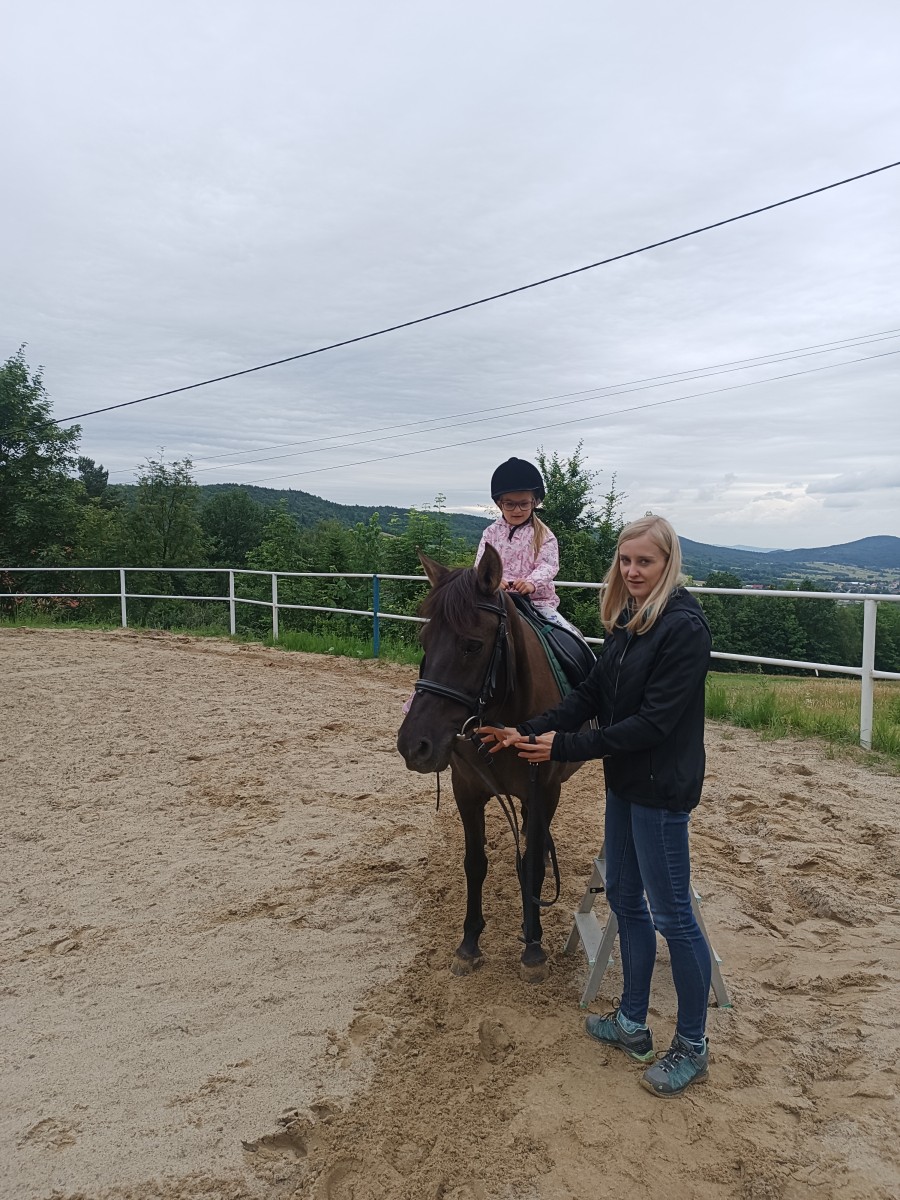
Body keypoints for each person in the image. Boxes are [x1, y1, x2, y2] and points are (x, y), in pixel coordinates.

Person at [478, 514, 713, 1098]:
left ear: (668, 564)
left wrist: (562, 745)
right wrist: (526, 727)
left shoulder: (683, 628)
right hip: (625, 783)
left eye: (645, 562)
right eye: (625, 561)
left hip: (661, 789)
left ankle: (692, 1044)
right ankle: (633, 1022)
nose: (632, 571)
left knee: (673, 916)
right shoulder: (631, 618)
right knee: (626, 901)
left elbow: (652, 724)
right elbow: (590, 694)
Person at [475, 457, 578, 634]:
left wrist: (531, 583)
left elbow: (548, 565)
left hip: (537, 603)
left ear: (534, 503)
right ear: (500, 504)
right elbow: (480, 565)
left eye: (524, 504)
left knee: (569, 635)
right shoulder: (490, 533)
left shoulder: (544, 535)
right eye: (510, 504)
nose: (517, 510)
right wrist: (493, 582)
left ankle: (581, 650)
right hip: (497, 600)